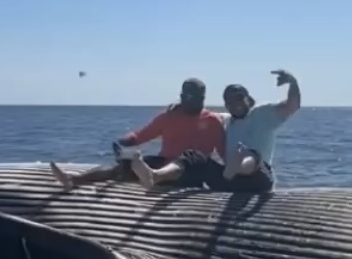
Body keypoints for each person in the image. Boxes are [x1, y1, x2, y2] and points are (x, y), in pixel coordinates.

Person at [131, 71, 301, 194]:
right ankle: (154, 176)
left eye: (239, 98)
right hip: (229, 181)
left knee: (251, 154)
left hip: (259, 179)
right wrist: (180, 107)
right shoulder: (225, 120)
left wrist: (293, 83)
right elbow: (198, 115)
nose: (235, 103)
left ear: (248, 99)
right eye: (229, 101)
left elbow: (292, 105)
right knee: (194, 156)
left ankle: (240, 166)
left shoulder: (263, 114)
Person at [49, 78, 225, 191]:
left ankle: (154, 177)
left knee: (191, 159)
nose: (194, 102)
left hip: (192, 171)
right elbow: (141, 136)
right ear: (181, 96)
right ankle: (73, 179)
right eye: (189, 98)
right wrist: (123, 142)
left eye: (198, 98)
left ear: (204, 97)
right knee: (125, 166)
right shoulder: (169, 117)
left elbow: (224, 153)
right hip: (164, 162)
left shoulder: (213, 120)